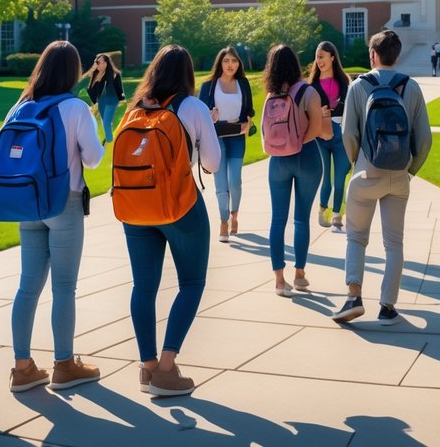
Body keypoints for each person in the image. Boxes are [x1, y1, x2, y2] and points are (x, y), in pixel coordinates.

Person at [120, 44, 221, 395]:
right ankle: (167, 366)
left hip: (136, 206)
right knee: (191, 283)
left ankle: (148, 368)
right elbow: (212, 163)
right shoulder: (191, 106)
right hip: (179, 204)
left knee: (142, 287)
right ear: (187, 74)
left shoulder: (135, 108)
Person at [7, 41, 105, 392]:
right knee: (64, 286)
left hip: (26, 202)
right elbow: (93, 159)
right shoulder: (75, 107)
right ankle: (64, 364)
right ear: (72, 71)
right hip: (63, 201)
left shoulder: (20, 107)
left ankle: (22, 367)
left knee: (27, 284)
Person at [332, 29, 432, 325]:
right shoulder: (411, 86)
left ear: (372, 54)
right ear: (397, 55)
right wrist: (410, 170)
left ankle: (354, 296)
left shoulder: (359, 86)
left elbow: (348, 133)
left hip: (366, 171)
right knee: (394, 243)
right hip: (399, 175)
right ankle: (388, 306)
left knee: (356, 237)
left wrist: (357, 162)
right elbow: (424, 139)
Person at [263, 44, 325, 297]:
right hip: (305, 156)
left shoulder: (270, 96)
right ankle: (299, 274)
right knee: (301, 218)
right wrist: (297, 144)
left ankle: (279, 279)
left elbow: (266, 131)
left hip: (277, 160)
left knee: (277, 219)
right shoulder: (309, 92)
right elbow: (317, 129)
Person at [198, 46, 255, 242]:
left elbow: (249, 110)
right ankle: (223, 221)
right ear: (220, 63)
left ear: (238, 63)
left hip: (237, 136)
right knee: (221, 183)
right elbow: (200, 114)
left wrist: (249, 122)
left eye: (234, 61)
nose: (230, 65)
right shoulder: (209, 86)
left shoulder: (243, 83)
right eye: (226, 61)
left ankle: (234, 216)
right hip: (216, 138)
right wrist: (210, 115)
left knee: (235, 181)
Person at [308, 41, 351, 231]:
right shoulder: (312, 86)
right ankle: (321, 212)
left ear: (332, 57)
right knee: (326, 176)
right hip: (320, 137)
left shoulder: (345, 82)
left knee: (340, 176)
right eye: (317, 57)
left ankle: (336, 216)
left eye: (322, 56)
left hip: (341, 136)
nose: (319, 61)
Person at [85, 53, 124, 144]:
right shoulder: (96, 75)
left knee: (106, 121)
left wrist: (122, 100)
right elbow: (90, 88)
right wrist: (93, 70)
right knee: (105, 122)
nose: (96, 64)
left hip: (112, 100)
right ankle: (110, 138)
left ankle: (109, 141)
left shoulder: (115, 74)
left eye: (98, 62)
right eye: (96, 62)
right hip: (101, 100)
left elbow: (119, 89)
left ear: (106, 63)